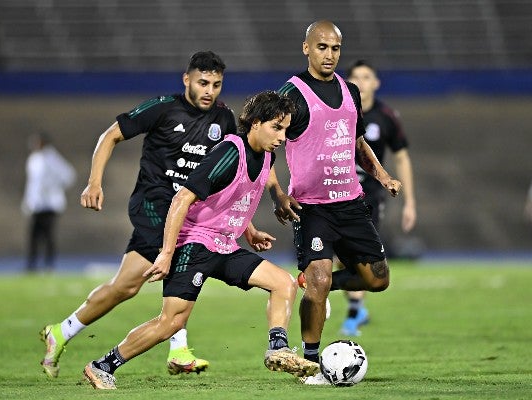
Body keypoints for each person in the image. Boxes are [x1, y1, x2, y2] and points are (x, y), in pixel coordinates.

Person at [82, 91, 319, 390]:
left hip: (223, 245)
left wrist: (249, 229)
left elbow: (232, 197)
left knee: (283, 283)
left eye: (285, 129)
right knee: (170, 323)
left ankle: (278, 349)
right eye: (277, 127)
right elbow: (183, 197)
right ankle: (102, 366)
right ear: (256, 123)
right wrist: (167, 253)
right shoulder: (230, 152)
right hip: (194, 245)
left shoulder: (267, 154)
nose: (283, 136)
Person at [39, 51, 237, 378]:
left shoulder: (224, 120)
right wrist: (94, 182)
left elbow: (231, 173)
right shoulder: (162, 108)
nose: (209, 91)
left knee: (125, 287)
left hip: (185, 211)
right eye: (203, 82)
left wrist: (248, 224)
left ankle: (61, 331)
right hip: (153, 204)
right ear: (186, 79)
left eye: (216, 85)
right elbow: (110, 136)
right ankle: (178, 348)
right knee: (182, 250)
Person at [276, 20, 402, 385]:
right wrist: (278, 194)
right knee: (318, 277)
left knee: (378, 280)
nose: (329, 54)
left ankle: (321, 286)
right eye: (321, 47)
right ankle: (311, 363)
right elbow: (268, 143)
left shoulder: (350, 91)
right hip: (311, 207)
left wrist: (382, 175)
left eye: (334, 48)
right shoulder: (292, 94)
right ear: (306, 48)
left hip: (350, 203)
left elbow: (357, 143)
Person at [337, 59, 417, 336]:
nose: (361, 82)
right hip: (336, 192)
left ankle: (355, 310)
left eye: (367, 76)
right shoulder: (337, 111)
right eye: (355, 77)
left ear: (376, 83)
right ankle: (355, 307)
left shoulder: (386, 116)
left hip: (369, 196)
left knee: (362, 255)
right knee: (340, 254)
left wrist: (410, 203)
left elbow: (402, 156)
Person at [22, 132, 76, 273]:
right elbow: (32, 184)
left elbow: (68, 175)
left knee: (48, 236)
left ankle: (49, 264)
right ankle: (32, 264)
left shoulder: (52, 158)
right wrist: (28, 201)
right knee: (33, 236)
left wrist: (53, 187)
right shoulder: (33, 159)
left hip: (50, 205)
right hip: (37, 205)